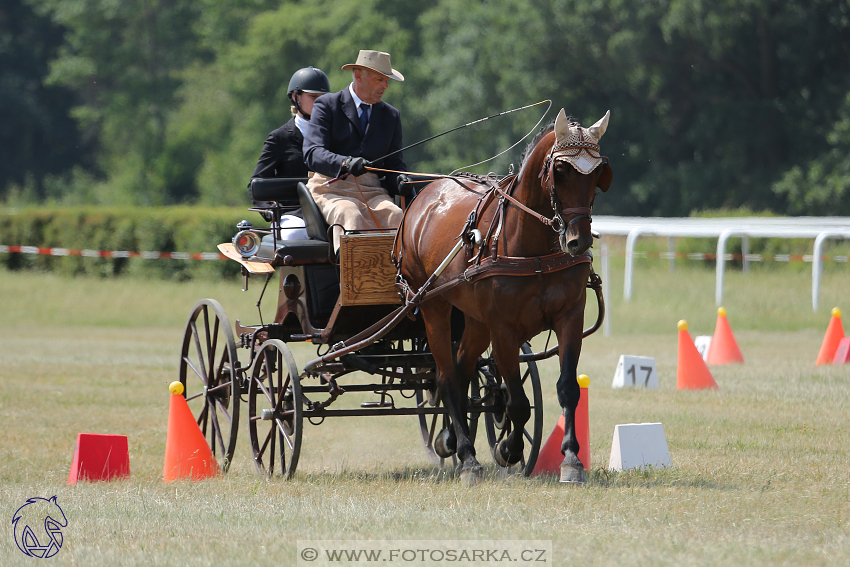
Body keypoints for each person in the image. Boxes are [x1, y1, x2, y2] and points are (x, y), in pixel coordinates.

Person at [303, 50, 411, 252]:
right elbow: (312, 153)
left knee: (395, 215)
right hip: (331, 189)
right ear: (359, 75)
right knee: (349, 213)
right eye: (380, 79)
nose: (385, 86)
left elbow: (395, 164)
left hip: (373, 192)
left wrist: (401, 180)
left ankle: (394, 280)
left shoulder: (391, 116)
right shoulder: (327, 106)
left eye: (387, 81)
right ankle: (351, 280)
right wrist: (345, 163)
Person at [249, 66, 330, 239]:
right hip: (294, 214)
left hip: (332, 206)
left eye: (324, 98)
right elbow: (257, 182)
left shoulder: (337, 134)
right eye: (314, 97)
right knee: (293, 235)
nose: (320, 103)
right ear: (295, 97)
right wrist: (270, 212)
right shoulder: (279, 138)